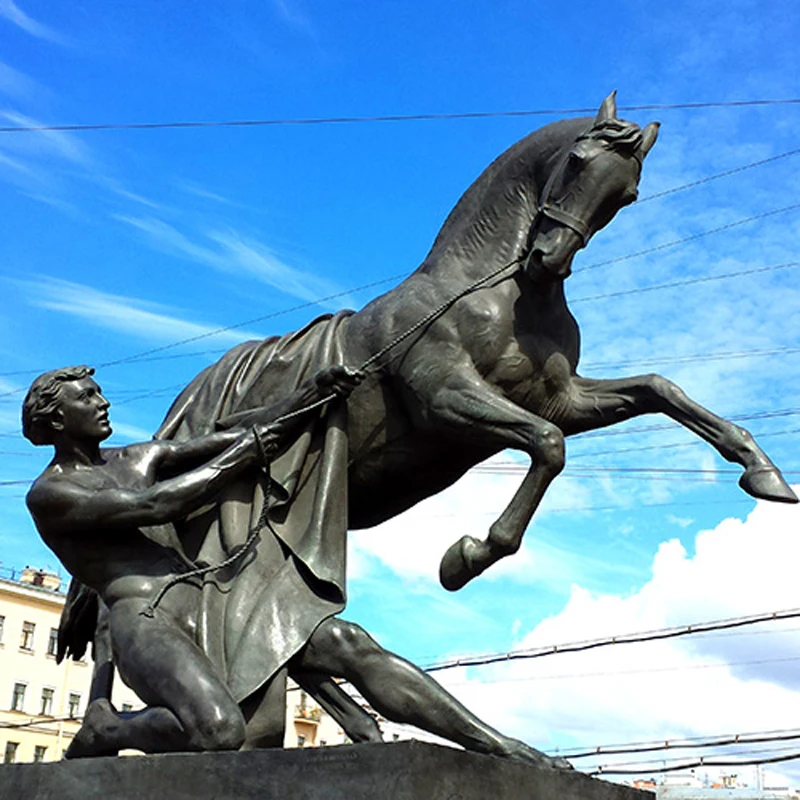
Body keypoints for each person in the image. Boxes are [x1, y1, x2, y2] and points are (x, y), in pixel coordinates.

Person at [25, 365, 567, 768]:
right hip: (145, 618)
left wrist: (309, 399)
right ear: (56, 417)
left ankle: (499, 746)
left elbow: (234, 437)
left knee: (349, 644)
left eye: (98, 392)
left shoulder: (138, 456)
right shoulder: (51, 493)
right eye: (86, 397)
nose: (102, 402)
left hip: (212, 594)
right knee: (217, 732)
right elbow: (155, 506)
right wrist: (239, 457)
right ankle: (108, 729)